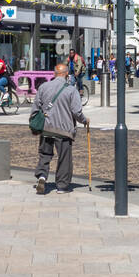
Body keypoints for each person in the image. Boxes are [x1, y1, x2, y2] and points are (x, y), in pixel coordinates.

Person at [32, 62, 89, 195]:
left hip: (46, 127)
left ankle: (42, 176)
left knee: (45, 155)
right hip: (63, 130)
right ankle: (62, 186)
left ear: (54, 74)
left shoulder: (43, 87)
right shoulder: (71, 90)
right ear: (67, 75)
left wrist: (35, 121)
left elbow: (36, 107)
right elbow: (76, 112)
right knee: (64, 158)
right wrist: (84, 120)